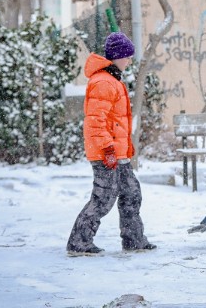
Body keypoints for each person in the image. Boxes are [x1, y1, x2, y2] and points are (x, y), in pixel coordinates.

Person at [66, 32, 156, 256]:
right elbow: (95, 123)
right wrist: (108, 149)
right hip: (106, 153)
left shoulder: (111, 80)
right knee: (104, 198)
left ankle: (134, 239)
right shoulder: (103, 82)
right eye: (127, 56)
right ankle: (79, 242)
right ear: (117, 56)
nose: (129, 61)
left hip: (117, 153)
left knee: (131, 193)